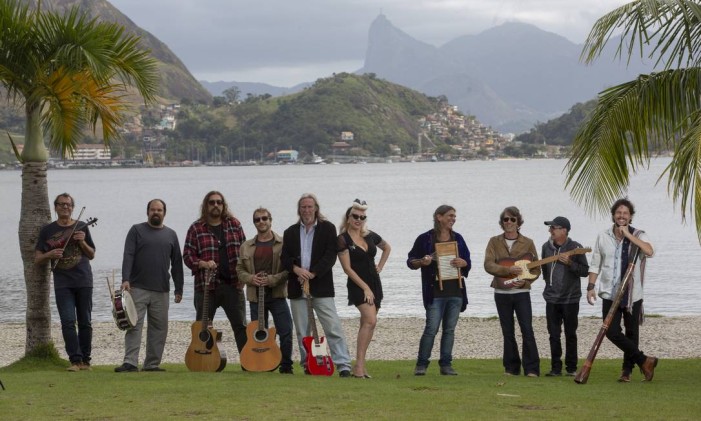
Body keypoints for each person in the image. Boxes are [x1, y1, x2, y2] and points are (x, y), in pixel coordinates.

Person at [281, 193, 353, 377]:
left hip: (321, 287)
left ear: (316, 209)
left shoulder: (328, 229)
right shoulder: (290, 232)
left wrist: (312, 274)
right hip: (297, 286)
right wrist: (297, 270)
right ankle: (309, 365)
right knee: (302, 330)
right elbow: (285, 258)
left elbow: (330, 256)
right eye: (303, 207)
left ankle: (343, 365)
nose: (306, 210)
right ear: (299, 210)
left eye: (310, 207)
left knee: (332, 327)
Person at [587, 198, 657, 382]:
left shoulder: (639, 235)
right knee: (611, 332)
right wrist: (590, 287)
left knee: (632, 333)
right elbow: (595, 263)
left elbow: (650, 251)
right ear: (613, 215)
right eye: (618, 213)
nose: (621, 216)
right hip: (610, 293)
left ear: (630, 216)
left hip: (632, 294)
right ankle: (644, 360)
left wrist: (628, 236)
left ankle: (627, 371)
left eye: (625, 213)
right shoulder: (603, 236)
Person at [115, 199, 184, 373]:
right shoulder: (136, 230)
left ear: (164, 213)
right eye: (153, 209)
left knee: (159, 328)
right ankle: (130, 362)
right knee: (134, 325)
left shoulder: (171, 235)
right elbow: (128, 255)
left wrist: (179, 288)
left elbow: (177, 263)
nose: (156, 212)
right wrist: (126, 279)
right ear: (147, 212)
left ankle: (152, 364)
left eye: (159, 210)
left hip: (162, 290)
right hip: (137, 287)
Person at [35, 193, 96, 372]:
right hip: (63, 282)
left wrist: (82, 241)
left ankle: (86, 361)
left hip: (84, 280)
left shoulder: (82, 226)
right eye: (61, 204)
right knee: (68, 321)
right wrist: (50, 255)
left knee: (85, 321)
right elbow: (37, 258)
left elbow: (91, 254)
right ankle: (75, 361)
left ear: (72, 207)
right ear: (55, 207)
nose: (65, 207)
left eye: (68, 205)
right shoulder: (47, 230)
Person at [407, 205, 471, 376]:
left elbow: (468, 263)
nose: (453, 219)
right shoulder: (425, 239)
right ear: (439, 217)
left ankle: (446, 365)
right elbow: (411, 261)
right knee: (431, 329)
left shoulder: (458, 239)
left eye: (454, 216)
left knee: (449, 330)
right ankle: (421, 365)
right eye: (450, 216)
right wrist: (423, 261)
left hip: (456, 291)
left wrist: (463, 263)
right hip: (435, 293)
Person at [183, 191, 248, 356]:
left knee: (240, 327)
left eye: (219, 202)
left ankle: (248, 363)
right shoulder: (196, 228)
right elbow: (187, 255)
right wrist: (202, 263)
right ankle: (203, 360)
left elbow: (245, 253)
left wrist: (245, 277)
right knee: (202, 327)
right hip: (206, 287)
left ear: (224, 205)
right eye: (212, 202)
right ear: (206, 205)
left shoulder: (235, 224)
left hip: (233, 285)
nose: (216, 205)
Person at [337, 199, 391, 378]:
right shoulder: (343, 239)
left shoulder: (370, 235)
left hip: (375, 283)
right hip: (358, 284)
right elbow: (347, 268)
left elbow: (387, 247)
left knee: (367, 324)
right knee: (370, 320)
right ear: (348, 217)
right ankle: (359, 366)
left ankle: (361, 364)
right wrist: (365, 288)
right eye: (355, 216)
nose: (358, 220)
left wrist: (380, 267)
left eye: (362, 217)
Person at [484, 206, 540, 377]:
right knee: (507, 331)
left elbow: (536, 268)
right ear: (502, 223)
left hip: (522, 293)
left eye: (512, 219)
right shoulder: (494, 242)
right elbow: (488, 264)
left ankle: (531, 369)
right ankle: (511, 368)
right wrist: (507, 271)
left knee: (527, 329)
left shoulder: (528, 242)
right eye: (505, 219)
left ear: (518, 222)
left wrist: (527, 279)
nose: (508, 222)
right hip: (501, 293)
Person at [236, 207, 294, 374]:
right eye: (257, 219)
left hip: (277, 295)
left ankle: (286, 366)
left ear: (270, 220)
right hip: (255, 297)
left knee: (286, 331)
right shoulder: (246, 246)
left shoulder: (283, 244)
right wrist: (251, 279)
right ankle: (261, 365)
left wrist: (272, 280)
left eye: (264, 218)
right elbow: (239, 270)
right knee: (258, 335)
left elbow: (288, 270)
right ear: (254, 223)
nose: (261, 222)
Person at [541, 216, 589, 377]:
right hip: (552, 299)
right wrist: (548, 286)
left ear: (564, 230)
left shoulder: (576, 247)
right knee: (553, 334)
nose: (550, 231)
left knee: (570, 333)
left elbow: (584, 271)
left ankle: (571, 368)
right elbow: (545, 271)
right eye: (550, 228)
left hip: (571, 299)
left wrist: (569, 263)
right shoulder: (545, 247)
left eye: (553, 228)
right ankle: (555, 368)